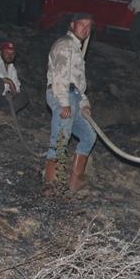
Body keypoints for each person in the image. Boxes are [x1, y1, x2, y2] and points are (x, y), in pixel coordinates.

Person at [44, 14, 96, 192]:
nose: (85, 29)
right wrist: (64, 102)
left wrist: (84, 104)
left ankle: (74, 182)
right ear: (73, 25)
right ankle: (50, 185)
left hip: (73, 97)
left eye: (89, 26)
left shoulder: (77, 49)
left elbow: (78, 84)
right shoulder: (66, 44)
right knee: (60, 138)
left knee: (89, 136)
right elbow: (61, 76)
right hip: (62, 95)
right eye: (82, 24)